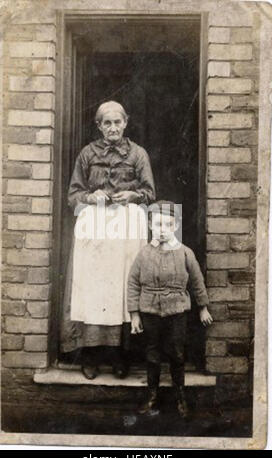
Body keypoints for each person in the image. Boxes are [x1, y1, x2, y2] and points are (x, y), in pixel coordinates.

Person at [61, 101, 156, 380]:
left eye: (117, 122)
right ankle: (89, 354)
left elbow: (150, 192)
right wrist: (90, 197)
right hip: (95, 227)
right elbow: (73, 195)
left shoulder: (138, 154)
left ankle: (120, 356)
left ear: (126, 122)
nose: (113, 128)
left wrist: (134, 195)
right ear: (99, 125)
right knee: (92, 289)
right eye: (107, 123)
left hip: (126, 228)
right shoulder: (87, 154)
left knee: (121, 289)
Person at [127, 200, 213, 417]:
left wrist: (203, 307)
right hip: (150, 312)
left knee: (176, 353)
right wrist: (135, 314)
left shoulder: (185, 253)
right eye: (158, 225)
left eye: (167, 224)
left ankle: (180, 396)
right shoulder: (144, 254)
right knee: (152, 354)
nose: (162, 230)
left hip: (177, 313)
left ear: (176, 226)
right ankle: (152, 396)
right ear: (150, 226)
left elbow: (197, 282)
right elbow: (133, 283)